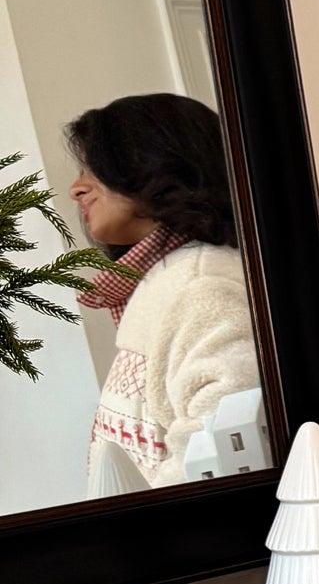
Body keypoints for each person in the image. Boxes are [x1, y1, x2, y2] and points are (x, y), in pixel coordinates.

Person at [68, 93, 259, 489]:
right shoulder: (167, 279)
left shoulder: (202, 284)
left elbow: (221, 449)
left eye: (93, 168)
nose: (77, 188)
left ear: (151, 164)